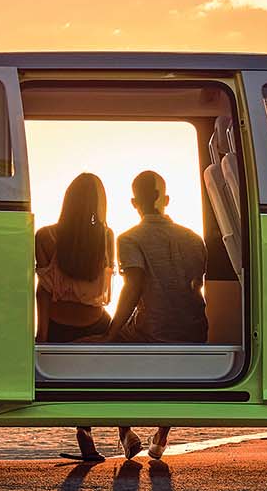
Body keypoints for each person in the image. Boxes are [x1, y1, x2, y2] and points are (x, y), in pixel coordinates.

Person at [106, 170, 209, 459]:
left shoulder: (129, 238)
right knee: (177, 377)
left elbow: (133, 287)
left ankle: (126, 433)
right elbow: (197, 285)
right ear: (166, 199)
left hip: (153, 330)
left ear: (133, 202)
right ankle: (161, 437)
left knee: (110, 349)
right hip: (195, 330)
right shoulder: (193, 238)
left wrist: (112, 332)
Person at [34, 173, 116, 462]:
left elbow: (43, 292)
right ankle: (126, 433)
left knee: (74, 387)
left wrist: (42, 335)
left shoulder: (45, 236)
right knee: (110, 380)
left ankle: (87, 441)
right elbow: (108, 288)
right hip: (98, 321)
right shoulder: (106, 236)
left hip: (60, 326)